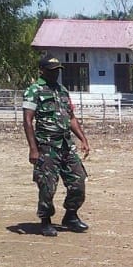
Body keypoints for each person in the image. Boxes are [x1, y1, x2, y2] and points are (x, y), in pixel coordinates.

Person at [23, 53, 91, 237]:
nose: (55, 74)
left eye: (57, 71)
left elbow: (71, 118)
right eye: (51, 71)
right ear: (42, 70)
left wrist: (83, 139)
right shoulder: (34, 90)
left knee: (78, 181)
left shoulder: (62, 91)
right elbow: (28, 121)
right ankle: (45, 220)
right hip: (46, 146)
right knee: (47, 186)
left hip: (66, 145)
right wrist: (33, 149)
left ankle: (70, 215)